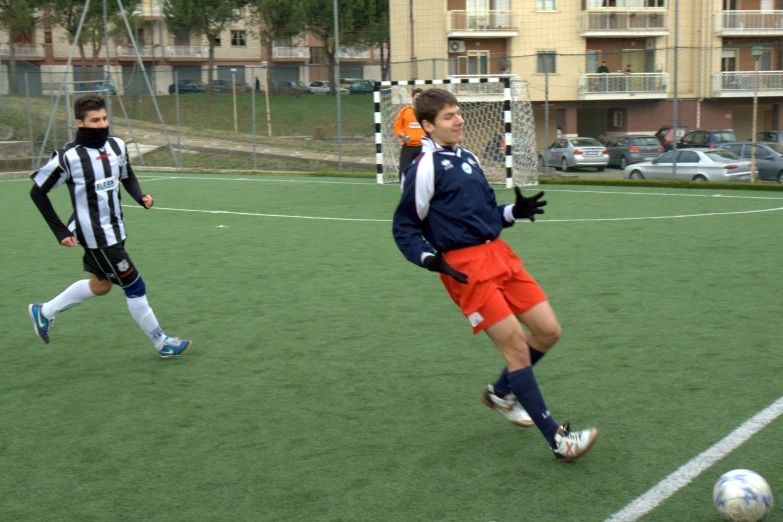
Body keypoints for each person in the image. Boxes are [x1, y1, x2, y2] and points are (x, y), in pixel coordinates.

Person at [392, 89, 599, 462]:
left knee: (549, 331)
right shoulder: (423, 167)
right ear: (427, 126)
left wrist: (513, 212)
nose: (459, 121)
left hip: (500, 257)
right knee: (517, 348)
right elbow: (404, 226)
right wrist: (427, 258)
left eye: (458, 113)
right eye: (449, 117)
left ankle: (500, 393)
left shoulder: (468, 157)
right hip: (465, 269)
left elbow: (485, 214)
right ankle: (558, 441)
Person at [28, 94, 192, 359]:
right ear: (80, 123)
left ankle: (43, 311)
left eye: (104, 118)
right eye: (95, 120)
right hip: (96, 237)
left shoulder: (117, 146)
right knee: (135, 287)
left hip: (116, 230)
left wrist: (140, 196)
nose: (102, 125)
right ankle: (163, 344)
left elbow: (127, 175)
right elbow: (37, 192)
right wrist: (60, 231)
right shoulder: (68, 158)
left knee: (101, 286)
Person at [392, 87, 425, 176]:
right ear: (412, 97)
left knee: (424, 171)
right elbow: (397, 126)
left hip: (423, 146)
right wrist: (403, 135)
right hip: (408, 145)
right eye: (416, 96)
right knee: (403, 171)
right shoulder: (404, 111)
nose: (418, 98)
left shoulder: (426, 111)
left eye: (420, 96)